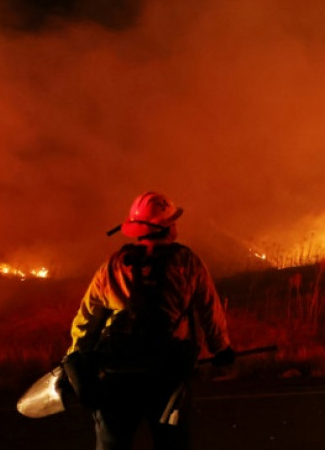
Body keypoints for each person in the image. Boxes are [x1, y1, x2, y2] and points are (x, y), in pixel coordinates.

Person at [65, 191, 235, 450]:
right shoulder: (187, 263)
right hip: (168, 376)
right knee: (172, 443)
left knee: (112, 444)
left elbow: (87, 320)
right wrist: (221, 349)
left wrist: (75, 358)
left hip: (116, 376)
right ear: (168, 227)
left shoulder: (113, 267)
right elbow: (210, 310)